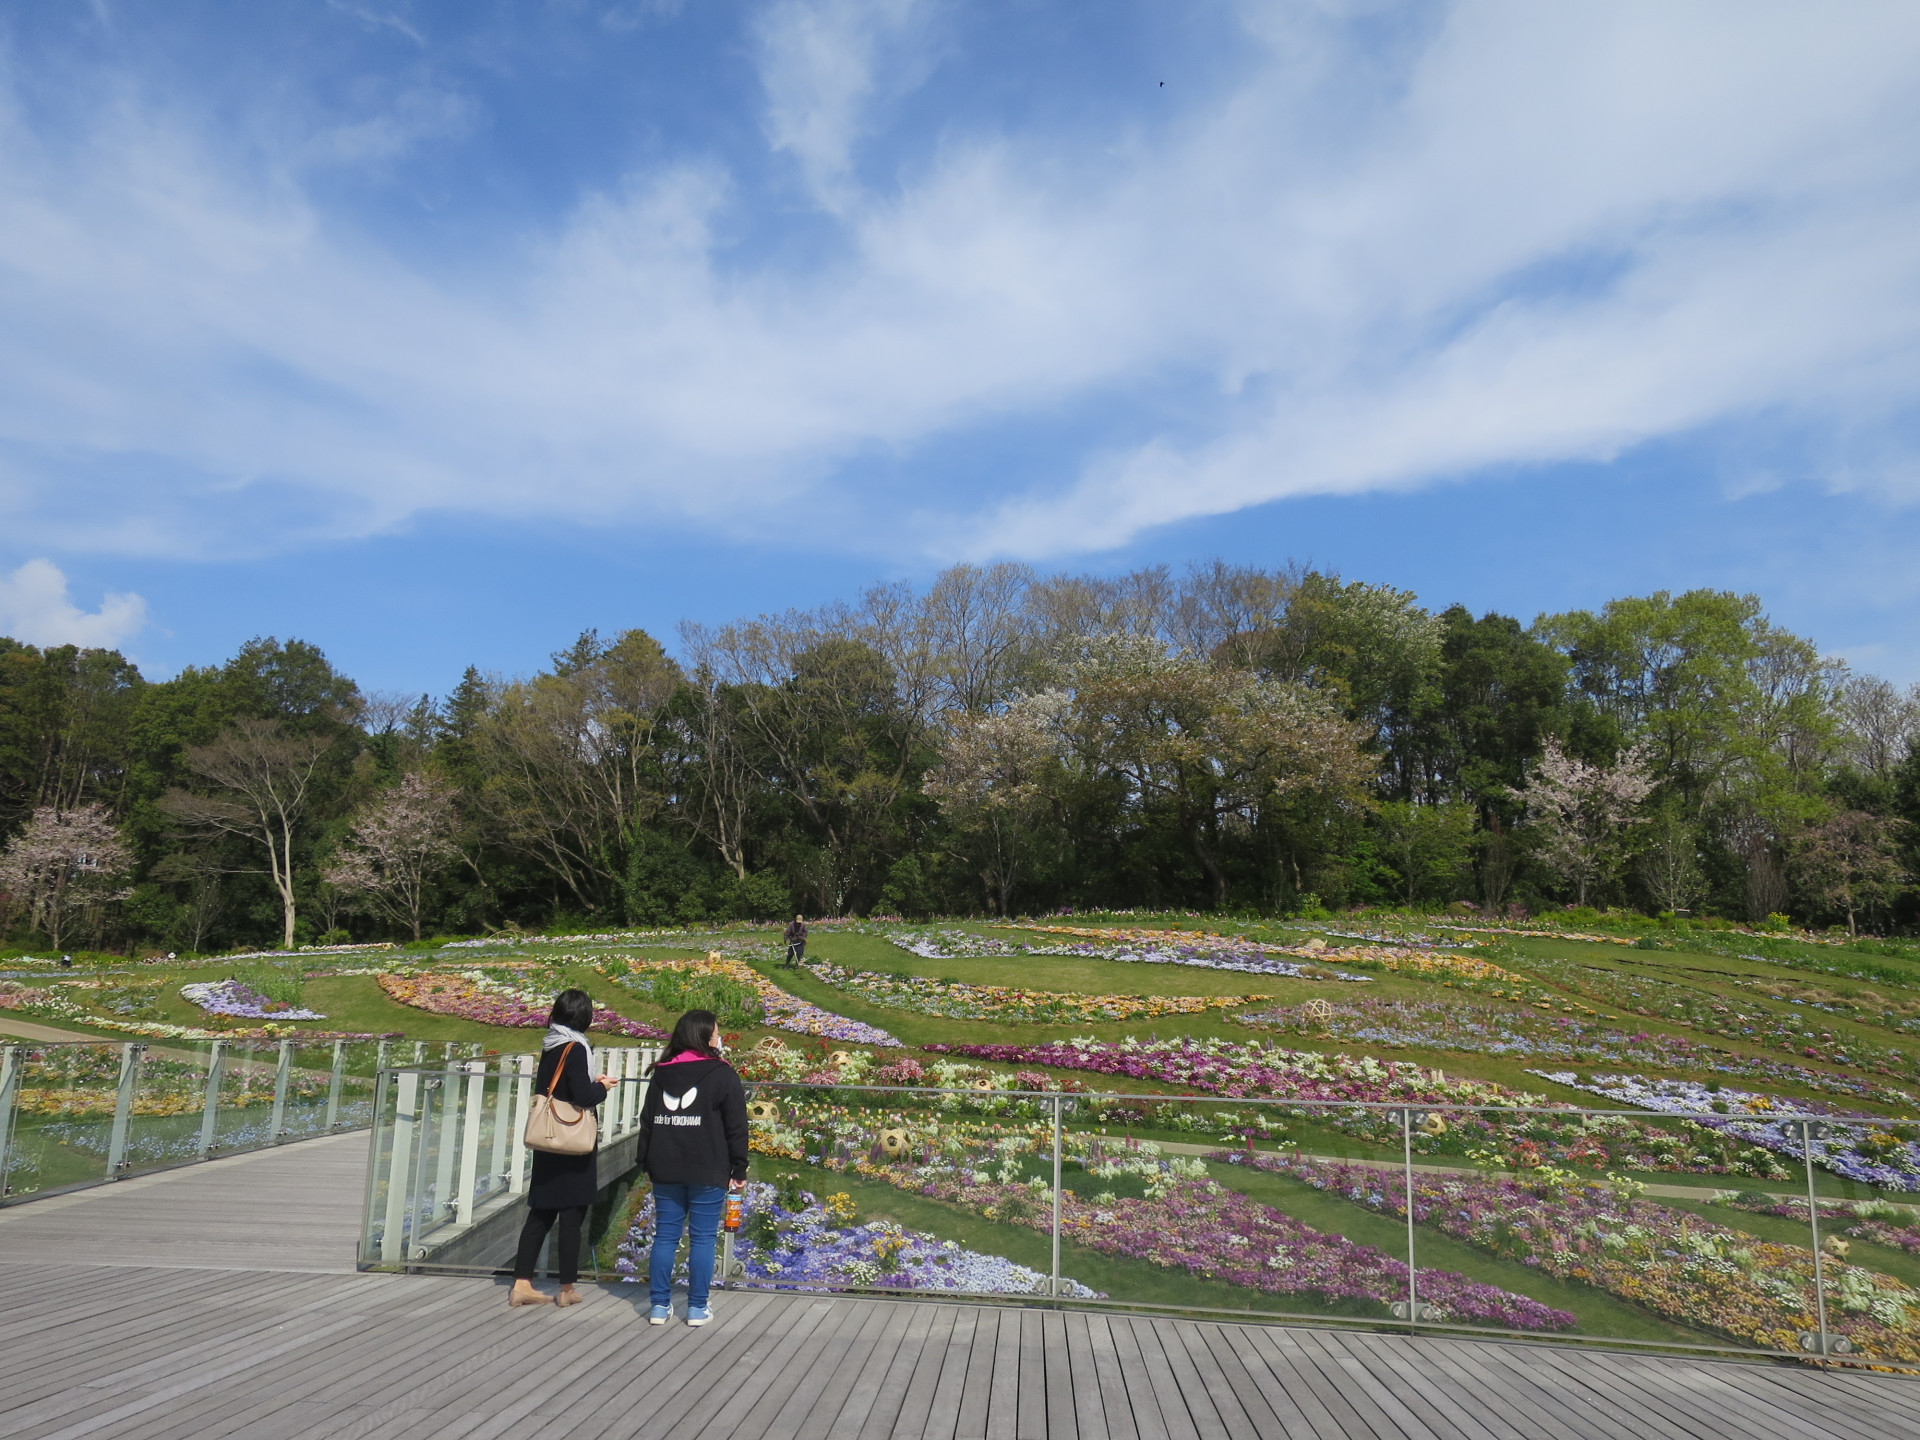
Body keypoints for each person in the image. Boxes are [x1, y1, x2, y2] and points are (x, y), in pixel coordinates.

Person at [635, 1009, 748, 1327]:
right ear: (703, 1036)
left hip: (665, 1166)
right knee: (702, 1239)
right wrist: (739, 1169)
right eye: (715, 1032)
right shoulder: (722, 1073)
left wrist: (643, 1160)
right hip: (707, 1167)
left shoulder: (661, 1073)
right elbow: (737, 1127)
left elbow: (647, 1122)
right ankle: (697, 1307)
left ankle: (658, 1306)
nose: (718, 1037)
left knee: (666, 1236)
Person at [508, 989, 619, 1308]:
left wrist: (589, 1083)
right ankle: (566, 1288)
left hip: (548, 1137)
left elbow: (558, 1087)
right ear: (584, 1017)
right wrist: (602, 1087)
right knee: (572, 1213)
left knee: (541, 1212)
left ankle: (521, 1283)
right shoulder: (577, 1047)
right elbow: (583, 1097)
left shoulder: (552, 1043)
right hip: (572, 1142)